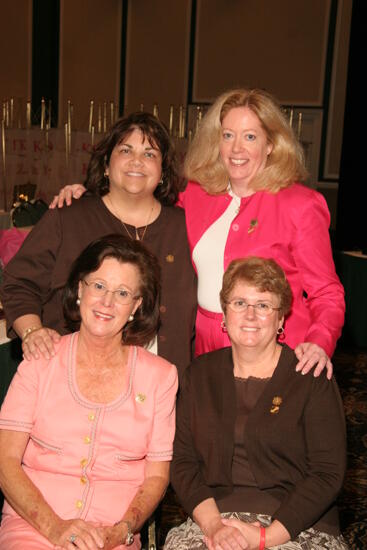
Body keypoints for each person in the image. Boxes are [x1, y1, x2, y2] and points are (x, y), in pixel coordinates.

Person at [50, 89, 344, 378]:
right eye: (227, 135)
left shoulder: (300, 204)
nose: (237, 149)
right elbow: (139, 203)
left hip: (274, 346)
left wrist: (319, 343)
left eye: (250, 137)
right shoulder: (197, 194)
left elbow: (327, 293)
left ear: (271, 144)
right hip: (203, 346)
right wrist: (90, 194)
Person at [0, 234, 178, 549]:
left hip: (112, 537)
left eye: (122, 293)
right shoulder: (41, 360)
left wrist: (122, 531)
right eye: (98, 286)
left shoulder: (160, 378)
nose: (107, 302)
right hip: (34, 530)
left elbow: (156, 477)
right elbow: (5, 461)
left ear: (136, 306)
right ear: (80, 289)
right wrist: (55, 529)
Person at [165, 256, 347, 550]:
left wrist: (266, 538)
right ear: (224, 313)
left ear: (280, 318)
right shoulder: (198, 374)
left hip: (298, 525)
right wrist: (213, 526)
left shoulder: (310, 376)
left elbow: (327, 473)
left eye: (263, 305)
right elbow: (183, 462)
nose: (249, 315)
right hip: (214, 519)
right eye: (239, 303)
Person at [0, 112, 196, 376]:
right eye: (126, 150)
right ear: (106, 164)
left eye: (150, 154)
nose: (137, 161)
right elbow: (19, 283)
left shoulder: (186, 227)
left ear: (162, 172)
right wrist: (33, 332)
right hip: (72, 380)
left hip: (161, 388)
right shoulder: (68, 218)